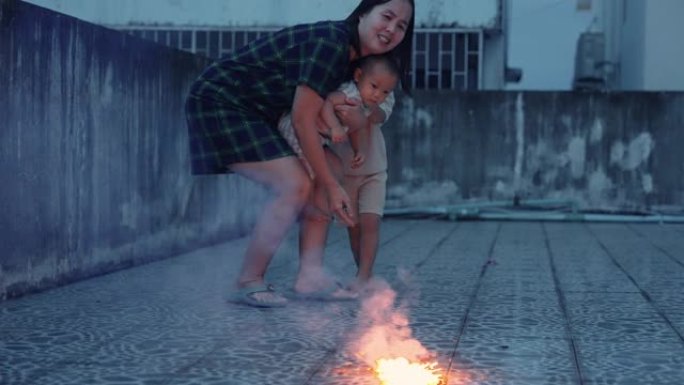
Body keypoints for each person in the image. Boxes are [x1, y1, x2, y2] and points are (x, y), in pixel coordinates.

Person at [184, 0, 415, 307]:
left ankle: (310, 276)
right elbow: (302, 119)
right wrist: (333, 189)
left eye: (401, 25)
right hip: (221, 102)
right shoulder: (331, 44)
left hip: (262, 112)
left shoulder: (356, 61)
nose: (391, 29)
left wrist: (333, 177)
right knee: (295, 184)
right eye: (386, 16)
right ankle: (248, 280)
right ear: (362, 13)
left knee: (329, 168)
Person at [277, 55, 399, 300]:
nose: (378, 94)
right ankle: (360, 275)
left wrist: (363, 123)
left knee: (371, 222)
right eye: (374, 87)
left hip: (374, 171)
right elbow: (331, 111)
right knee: (354, 227)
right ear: (358, 77)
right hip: (344, 174)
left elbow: (369, 119)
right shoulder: (345, 92)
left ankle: (365, 275)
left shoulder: (379, 101)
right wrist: (334, 125)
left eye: (384, 91)